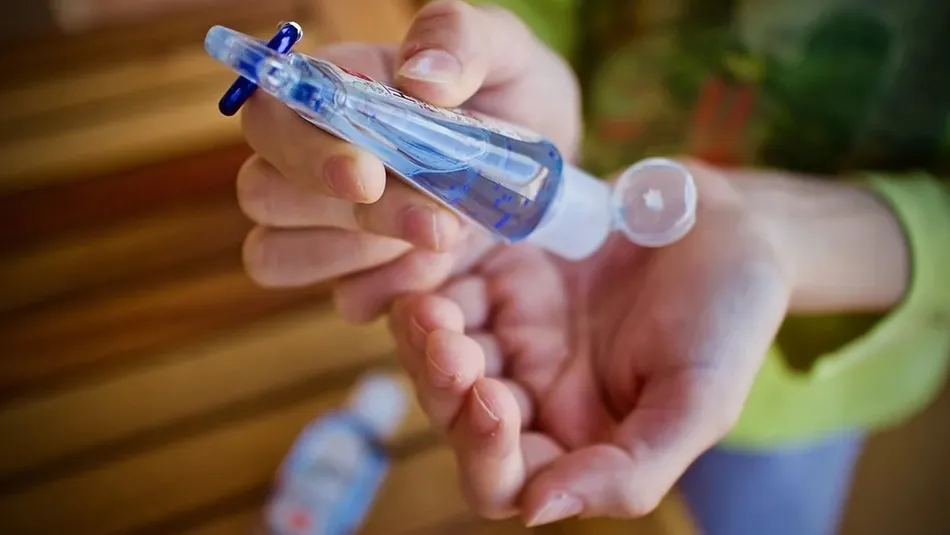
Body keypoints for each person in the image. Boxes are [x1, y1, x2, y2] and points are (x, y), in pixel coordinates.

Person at [234, 0, 950, 533]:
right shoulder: (539, 177)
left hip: (816, 393)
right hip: (551, 222)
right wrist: (499, 52)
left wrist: (791, 238)